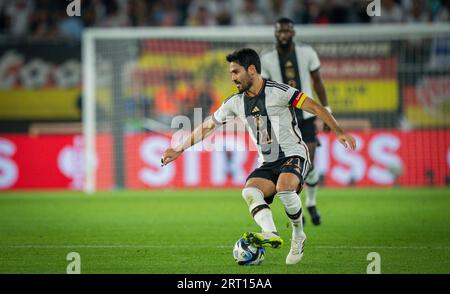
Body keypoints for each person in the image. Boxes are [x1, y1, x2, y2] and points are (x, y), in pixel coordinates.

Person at [161, 48, 356, 265]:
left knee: (284, 187)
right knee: (250, 191)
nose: (233, 78)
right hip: (268, 161)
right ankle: (270, 232)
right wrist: (179, 148)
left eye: (236, 72)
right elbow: (208, 126)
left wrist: (339, 131)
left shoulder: (280, 91)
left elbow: (316, 108)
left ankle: (298, 235)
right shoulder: (235, 102)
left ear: (251, 70)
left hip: (294, 154)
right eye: (231, 73)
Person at [261, 17, 329, 226]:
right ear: (275, 34)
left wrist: (326, 110)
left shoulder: (307, 53)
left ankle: (311, 202)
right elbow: (264, 89)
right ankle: (296, 210)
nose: (283, 35)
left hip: (306, 118)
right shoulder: (266, 58)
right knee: (289, 168)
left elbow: (318, 82)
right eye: (280, 32)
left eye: (287, 31)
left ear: (293, 33)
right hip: (282, 119)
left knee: (306, 164)